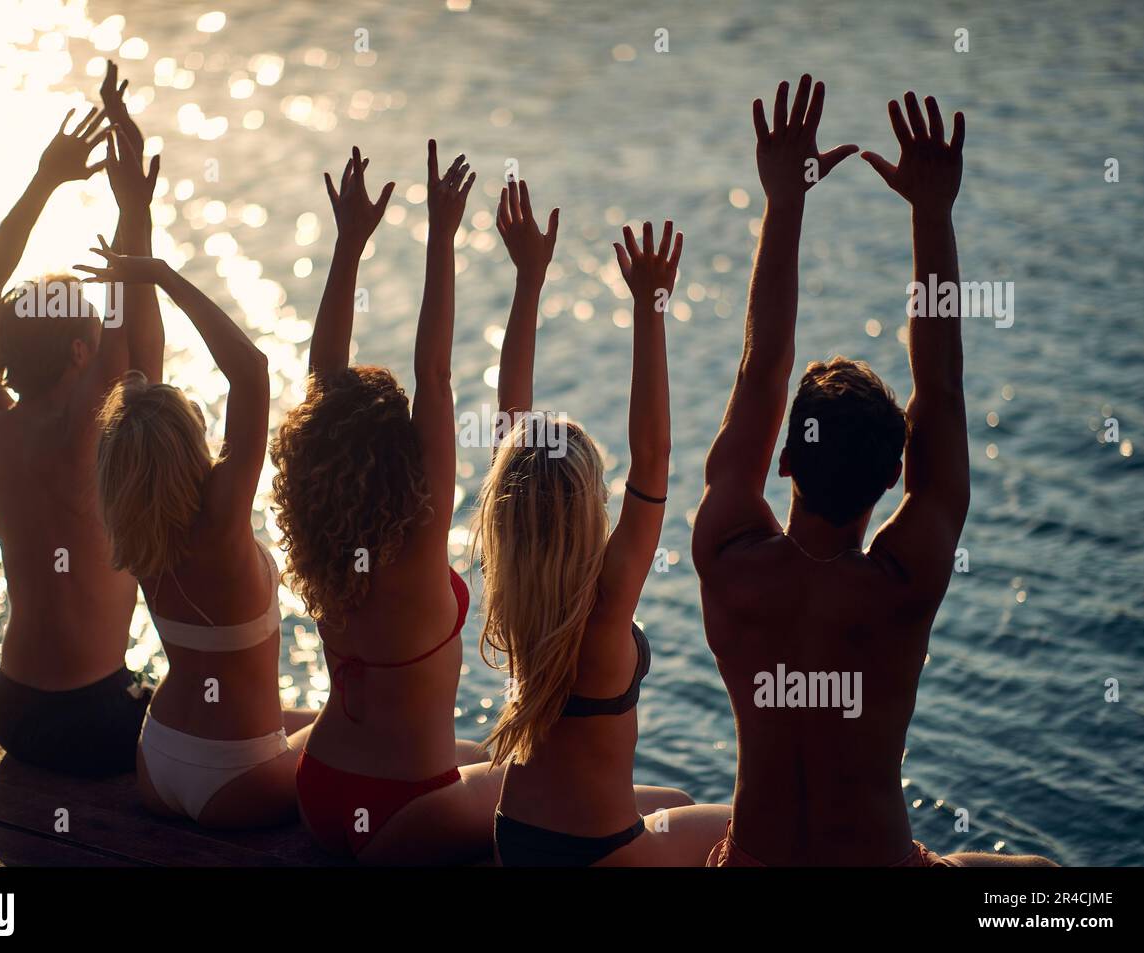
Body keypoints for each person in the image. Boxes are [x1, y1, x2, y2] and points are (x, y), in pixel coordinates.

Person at [692, 75, 1054, 866]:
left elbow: (762, 367)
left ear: (784, 460)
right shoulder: (901, 583)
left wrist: (784, 202)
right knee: (1047, 883)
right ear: (894, 477)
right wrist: (932, 213)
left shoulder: (727, 559)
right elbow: (944, 391)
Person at [476, 181, 732, 866]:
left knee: (674, 799)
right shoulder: (607, 603)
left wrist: (528, 280)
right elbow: (653, 455)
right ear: (590, 506)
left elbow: (512, 424)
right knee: (746, 824)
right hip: (597, 855)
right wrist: (650, 308)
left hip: (517, 839)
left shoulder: (517, 588)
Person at [270, 143, 502, 863]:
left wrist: (350, 244)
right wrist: (442, 232)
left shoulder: (320, 532)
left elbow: (324, 381)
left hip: (322, 791)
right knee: (532, 773)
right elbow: (435, 372)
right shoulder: (425, 530)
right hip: (408, 813)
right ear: (403, 456)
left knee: (486, 749)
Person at [78, 214, 317, 828]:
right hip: (240, 772)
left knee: (324, 718)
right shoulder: (220, 519)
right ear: (190, 442)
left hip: (158, 758)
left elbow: (141, 418)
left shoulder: (132, 518)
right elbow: (251, 370)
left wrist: (138, 251)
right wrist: (160, 275)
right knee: (427, 751)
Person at [0, 72, 161, 777]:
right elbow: (133, 329)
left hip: (10, 709)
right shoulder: (90, 426)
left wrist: (45, 181)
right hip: (97, 717)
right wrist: (132, 205)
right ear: (80, 351)